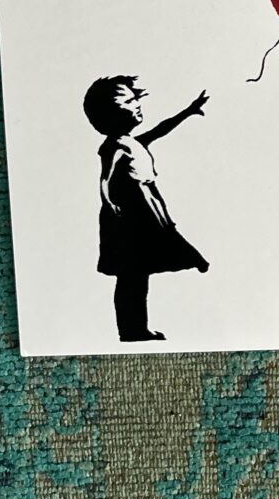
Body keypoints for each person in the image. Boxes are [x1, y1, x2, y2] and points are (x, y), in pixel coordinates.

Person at [82, 75, 209, 343]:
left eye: (136, 99)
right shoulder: (115, 146)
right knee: (132, 275)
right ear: (111, 113)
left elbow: (161, 129)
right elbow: (105, 178)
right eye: (130, 101)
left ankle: (137, 328)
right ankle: (132, 330)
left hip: (146, 205)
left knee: (139, 273)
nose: (138, 104)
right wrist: (110, 203)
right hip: (129, 213)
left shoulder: (133, 141)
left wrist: (188, 111)